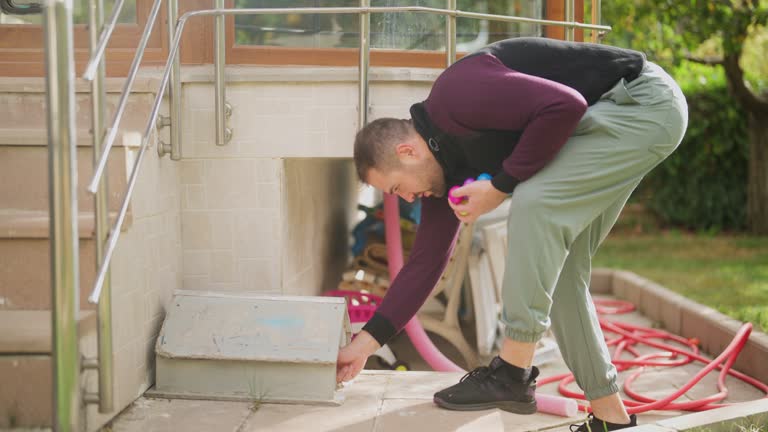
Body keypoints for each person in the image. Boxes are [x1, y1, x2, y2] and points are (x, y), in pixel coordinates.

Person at [337, 37, 687, 431]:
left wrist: (500, 186)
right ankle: (610, 418)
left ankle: (513, 371)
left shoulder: (456, 95)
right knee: (562, 269)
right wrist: (364, 344)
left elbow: (565, 105)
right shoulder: (444, 175)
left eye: (397, 188)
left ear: (407, 152)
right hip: (608, 122)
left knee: (534, 202)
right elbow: (425, 263)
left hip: (640, 103)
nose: (407, 198)